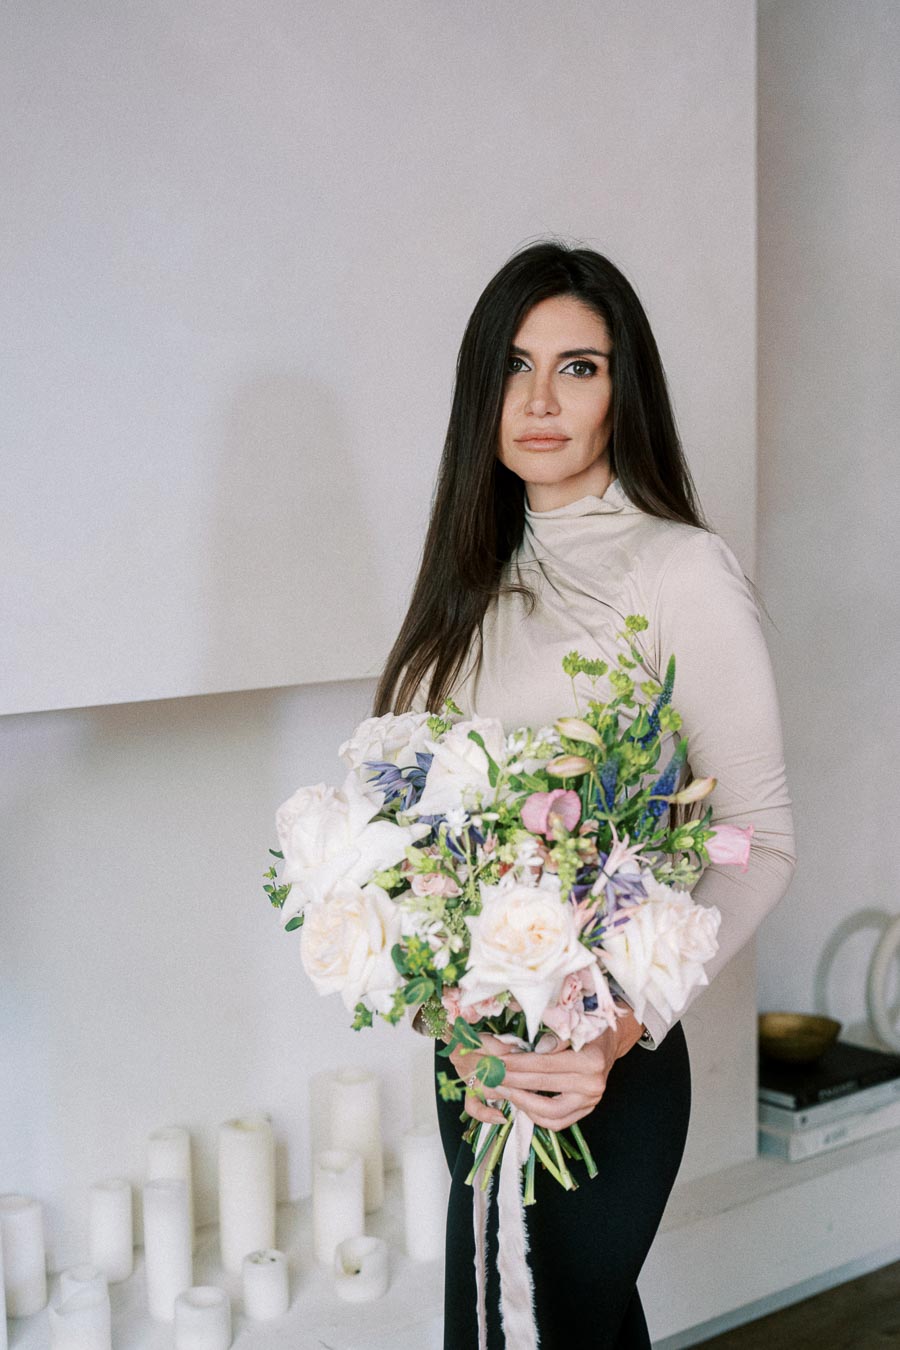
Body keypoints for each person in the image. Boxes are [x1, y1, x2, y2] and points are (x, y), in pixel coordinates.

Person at [372, 240, 796, 1349]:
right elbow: (413, 852)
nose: (541, 400)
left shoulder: (678, 571)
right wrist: (448, 1017)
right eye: (515, 366)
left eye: (579, 367)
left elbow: (758, 839)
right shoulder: (461, 587)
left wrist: (612, 1028)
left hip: (609, 1067)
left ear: (623, 389)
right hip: (477, 1064)